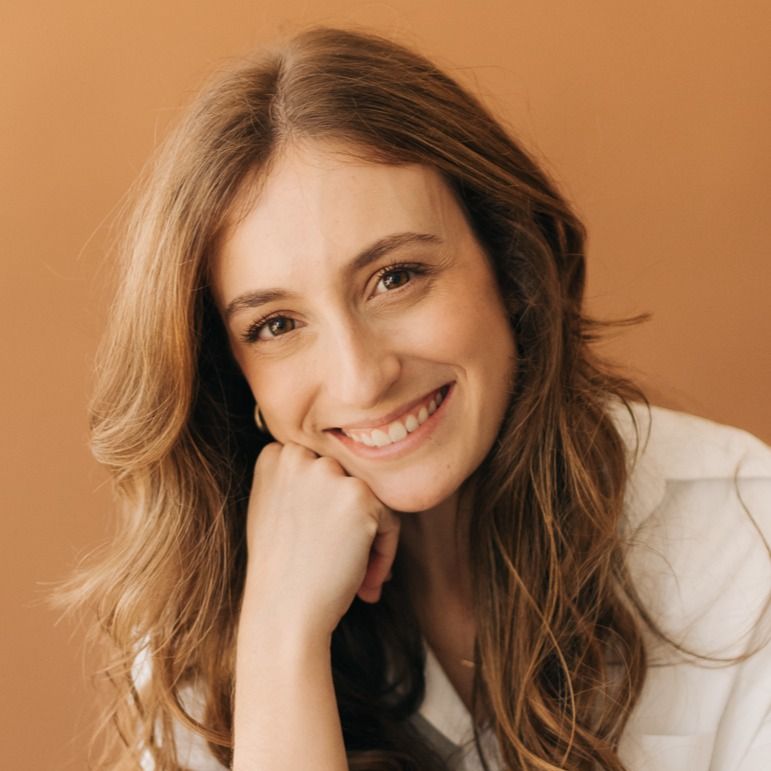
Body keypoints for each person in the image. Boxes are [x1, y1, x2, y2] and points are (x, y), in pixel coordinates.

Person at [65, 26, 771, 771]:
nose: (361, 378)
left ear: (509, 261)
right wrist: (280, 637)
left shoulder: (743, 535)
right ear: (230, 373)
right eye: (276, 325)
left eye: (395, 278)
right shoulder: (205, 618)